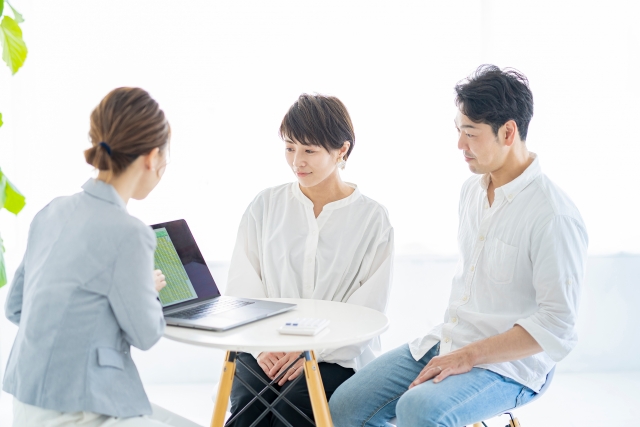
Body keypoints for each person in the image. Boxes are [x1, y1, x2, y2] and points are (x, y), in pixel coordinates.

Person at [329, 65, 589, 427]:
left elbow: (557, 326)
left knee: (419, 410)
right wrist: (458, 351)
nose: (460, 145)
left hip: (512, 367)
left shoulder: (553, 215)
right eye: (458, 131)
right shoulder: (472, 191)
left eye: (471, 133)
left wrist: (470, 356)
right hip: (451, 342)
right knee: (345, 406)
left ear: (508, 132)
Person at [3, 88, 199, 427]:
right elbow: (146, 335)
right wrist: (145, 289)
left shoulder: (51, 211)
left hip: (25, 401)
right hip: (78, 410)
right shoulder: (130, 233)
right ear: (152, 158)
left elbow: (15, 308)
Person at [224, 93, 394, 426]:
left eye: (309, 151)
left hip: (335, 355)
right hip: (264, 348)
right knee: (249, 406)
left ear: (341, 150)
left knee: (295, 405)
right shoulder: (265, 206)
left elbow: (368, 309)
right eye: (290, 148)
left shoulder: (372, 218)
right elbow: (242, 286)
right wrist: (262, 347)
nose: (297, 161)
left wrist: (312, 351)